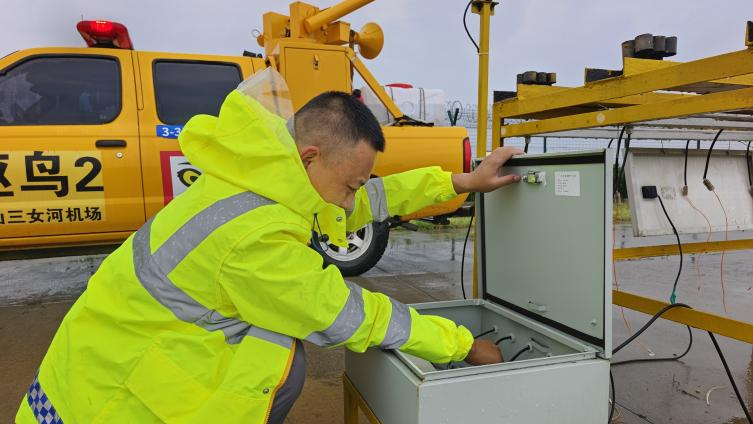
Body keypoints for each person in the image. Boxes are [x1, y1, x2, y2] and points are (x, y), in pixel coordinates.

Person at [17, 71, 523, 424]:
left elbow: (370, 195)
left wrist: (460, 181)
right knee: (281, 358)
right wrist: (463, 344)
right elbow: (348, 315)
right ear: (310, 156)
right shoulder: (256, 236)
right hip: (106, 401)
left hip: (111, 352)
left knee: (280, 349)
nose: (352, 200)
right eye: (348, 184)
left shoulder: (260, 173)